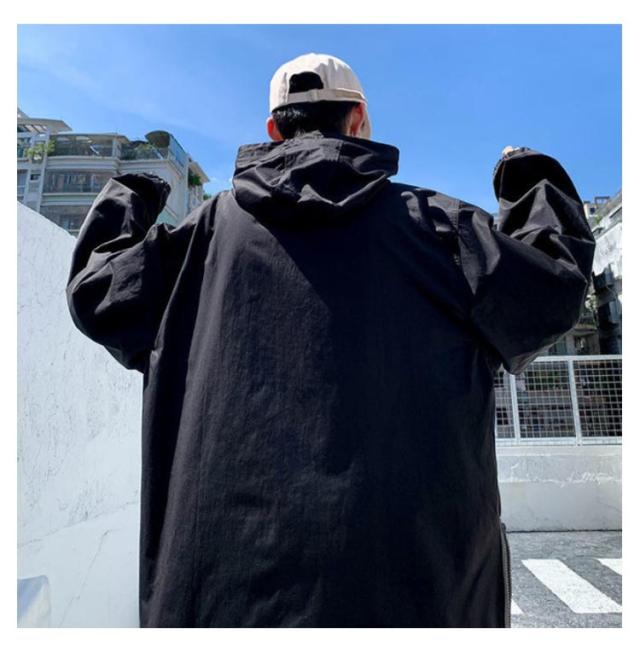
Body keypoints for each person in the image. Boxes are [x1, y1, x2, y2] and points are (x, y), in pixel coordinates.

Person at [65, 52, 595, 627]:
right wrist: (531, 180)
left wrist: (131, 195)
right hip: (416, 599)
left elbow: (99, 294)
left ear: (273, 129)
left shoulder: (200, 238)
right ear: (359, 119)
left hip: (225, 604)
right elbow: (549, 291)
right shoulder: (441, 228)